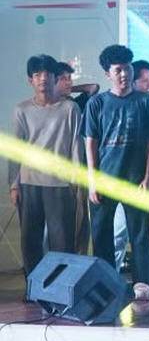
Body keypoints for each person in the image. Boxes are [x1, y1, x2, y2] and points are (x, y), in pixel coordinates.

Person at [83, 45, 149, 301]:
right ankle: (105, 285)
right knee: (102, 235)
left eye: (127, 69)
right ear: (108, 74)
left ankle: (144, 283)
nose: (124, 74)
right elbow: (90, 143)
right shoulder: (96, 103)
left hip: (136, 180)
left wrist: (147, 177)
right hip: (104, 180)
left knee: (140, 235)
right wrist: (92, 181)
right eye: (118, 70)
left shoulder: (146, 102)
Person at [10, 55, 80, 278]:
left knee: (62, 241)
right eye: (37, 74)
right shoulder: (22, 110)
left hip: (60, 183)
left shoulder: (70, 109)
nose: (43, 78)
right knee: (30, 240)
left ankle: (60, 286)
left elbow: (76, 145)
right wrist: (14, 185)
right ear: (30, 80)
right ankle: (33, 284)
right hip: (29, 183)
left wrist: (76, 180)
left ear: (54, 78)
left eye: (47, 74)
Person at [54, 61, 97, 254]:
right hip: (55, 172)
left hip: (79, 169)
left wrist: (68, 88)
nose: (68, 82)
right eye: (62, 79)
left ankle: (78, 258)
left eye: (69, 78)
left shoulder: (75, 103)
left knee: (80, 219)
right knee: (55, 222)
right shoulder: (48, 106)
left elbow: (93, 88)